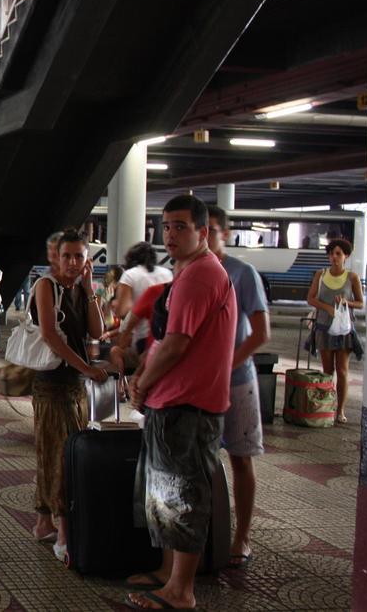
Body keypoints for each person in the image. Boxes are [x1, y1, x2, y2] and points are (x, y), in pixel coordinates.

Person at [125, 195, 236, 611]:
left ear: (203, 232)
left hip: (188, 407)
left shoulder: (199, 276)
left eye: (180, 227)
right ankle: (166, 571)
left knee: (183, 497)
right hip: (172, 403)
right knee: (163, 495)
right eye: (166, 226)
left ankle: (181, 590)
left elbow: (175, 345)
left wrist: (141, 382)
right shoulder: (188, 272)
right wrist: (145, 382)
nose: (169, 234)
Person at [26, 229, 107, 561]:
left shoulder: (78, 289)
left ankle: (43, 522)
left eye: (79, 256)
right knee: (61, 456)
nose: (73, 262)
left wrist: (89, 290)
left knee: (55, 453)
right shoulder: (46, 286)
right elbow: (50, 335)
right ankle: (63, 534)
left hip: (74, 387)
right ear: (56, 258)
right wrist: (86, 368)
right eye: (67, 256)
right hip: (51, 385)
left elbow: (98, 331)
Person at [207, 205, 271, 570]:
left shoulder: (242, 273)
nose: (206, 236)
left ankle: (241, 536)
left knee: (240, 459)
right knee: (200, 462)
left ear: (225, 234)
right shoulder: (187, 271)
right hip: (201, 386)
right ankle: (201, 534)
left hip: (237, 383)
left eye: (212, 230)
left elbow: (260, 333)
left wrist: (224, 366)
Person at [306, 237, 364, 424]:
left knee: (343, 370)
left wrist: (347, 303)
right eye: (331, 254)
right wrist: (327, 307)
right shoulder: (320, 275)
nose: (334, 257)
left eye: (338, 254)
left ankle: (340, 410)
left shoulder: (352, 277)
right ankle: (327, 406)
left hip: (344, 329)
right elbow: (311, 298)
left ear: (346, 256)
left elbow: (361, 303)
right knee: (327, 370)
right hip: (323, 327)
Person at [113, 242, 173, 354]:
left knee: (115, 352)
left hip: (143, 340)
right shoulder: (167, 273)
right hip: (166, 338)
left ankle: (120, 372)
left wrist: (116, 303)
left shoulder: (130, 275)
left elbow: (122, 310)